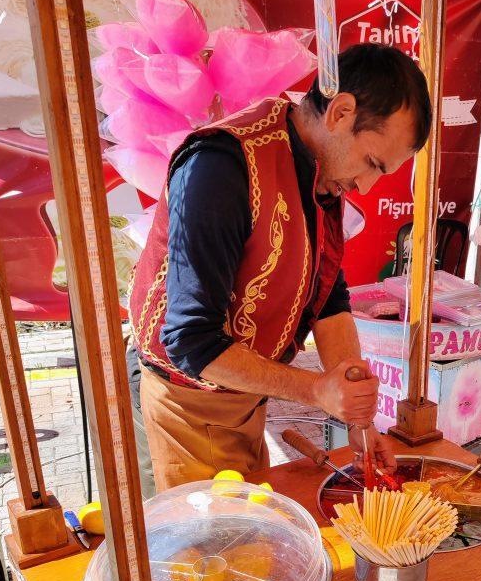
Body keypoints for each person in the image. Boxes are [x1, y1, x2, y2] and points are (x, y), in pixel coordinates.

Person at [129, 43, 431, 491]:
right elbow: (192, 341)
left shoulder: (318, 171)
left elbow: (327, 297)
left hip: (243, 397)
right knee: (202, 551)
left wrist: (360, 424)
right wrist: (315, 390)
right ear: (341, 112)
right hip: (182, 404)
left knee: (250, 533)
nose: (366, 186)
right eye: (371, 163)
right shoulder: (219, 168)